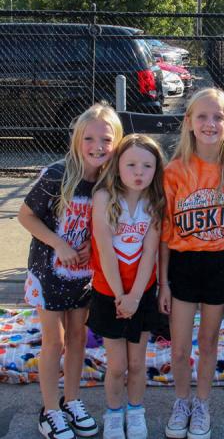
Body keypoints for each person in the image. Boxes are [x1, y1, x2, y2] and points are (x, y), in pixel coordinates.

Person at [18, 103, 123, 439]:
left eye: (106, 139)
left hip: (82, 276)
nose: (98, 146)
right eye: (89, 138)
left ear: (116, 142)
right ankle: (49, 410)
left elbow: (107, 228)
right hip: (49, 274)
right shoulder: (56, 175)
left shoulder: (110, 184)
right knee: (55, 341)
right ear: (77, 140)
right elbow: (25, 216)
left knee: (78, 338)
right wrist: (58, 244)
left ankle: (72, 400)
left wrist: (92, 247)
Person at [159, 88, 224, 439]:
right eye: (202, 116)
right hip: (183, 266)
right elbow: (165, 232)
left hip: (221, 265)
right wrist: (164, 283)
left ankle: (202, 402)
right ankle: (182, 400)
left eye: (218, 117)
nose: (210, 123)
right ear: (188, 122)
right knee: (180, 344)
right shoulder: (173, 174)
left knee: (210, 338)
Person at [86, 134, 165, 439]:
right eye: (131, 164)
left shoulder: (156, 202)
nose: (138, 172)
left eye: (147, 166)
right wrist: (120, 295)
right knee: (117, 365)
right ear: (117, 165)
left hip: (141, 294)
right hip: (109, 294)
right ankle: (114, 412)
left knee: (136, 362)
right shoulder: (104, 197)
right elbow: (105, 249)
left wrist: (134, 296)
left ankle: (136, 410)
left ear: (156, 170)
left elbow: (149, 253)